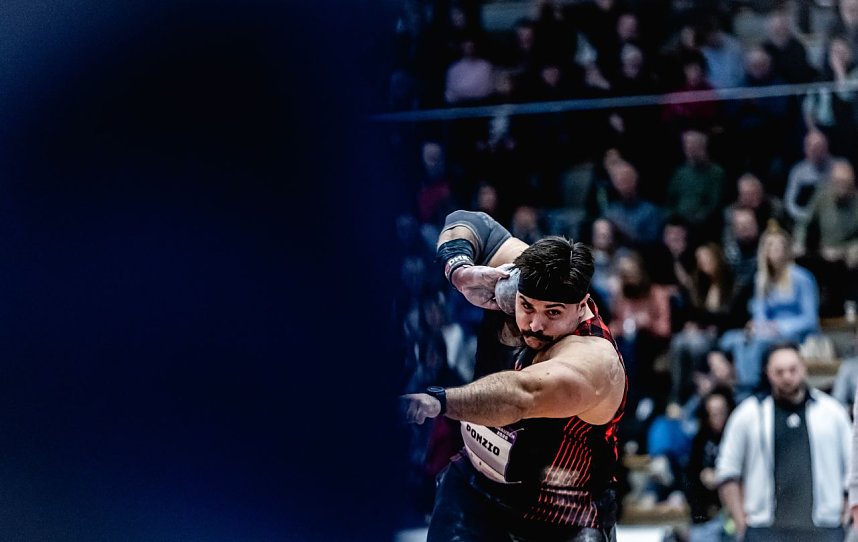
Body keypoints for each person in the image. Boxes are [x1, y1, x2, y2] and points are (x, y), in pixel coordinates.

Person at [401, 210, 627, 542]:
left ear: (581, 305)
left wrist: (439, 401)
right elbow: (468, 221)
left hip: (563, 513)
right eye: (527, 306)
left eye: (553, 313)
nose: (535, 324)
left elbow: (521, 395)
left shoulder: (594, 359)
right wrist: (460, 270)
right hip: (475, 488)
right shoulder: (513, 277)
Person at [716, 343, 851, 541]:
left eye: (792, 370)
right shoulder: (748, 414)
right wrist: (740, 522)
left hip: (824, 527)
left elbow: (852, 467)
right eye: (779, 372)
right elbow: (728, 470)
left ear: (803, 368)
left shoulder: (832, 413)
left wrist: (846, 512)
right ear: (768, 373)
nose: (787, 377)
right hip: (764, 529)